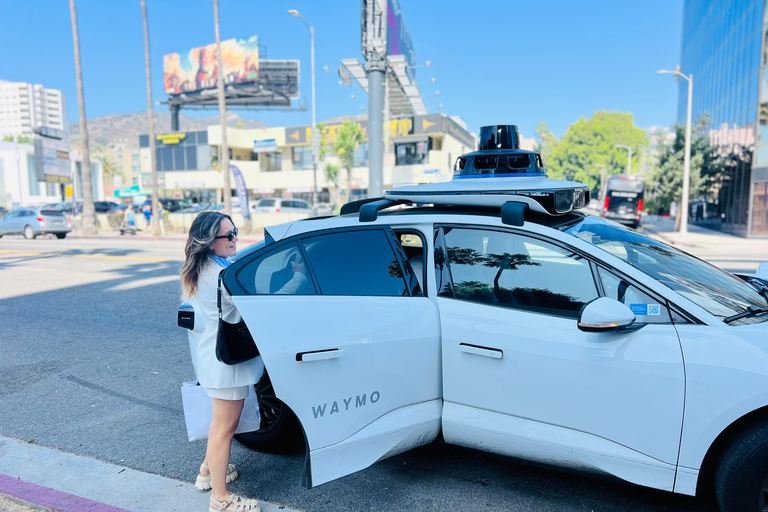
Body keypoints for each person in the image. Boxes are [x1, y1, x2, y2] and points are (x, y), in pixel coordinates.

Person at [180, 212, 262, 512]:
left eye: (235, 231)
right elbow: (247, 312)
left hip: (215, 358)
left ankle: (208, 469)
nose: (235, 238)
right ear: (209, 242)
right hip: (227, 362)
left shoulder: (207, 268)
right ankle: (221, 498)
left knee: (220, 425)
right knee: (225, 427)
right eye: (228, 235)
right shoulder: (221, 276)